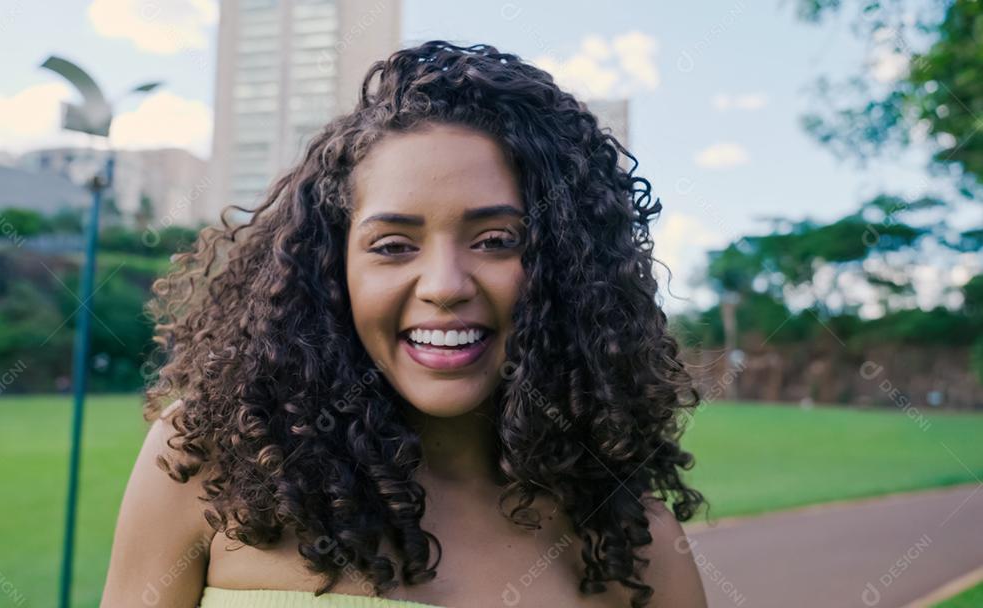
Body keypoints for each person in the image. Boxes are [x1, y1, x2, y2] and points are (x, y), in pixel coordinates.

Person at [101, 40, 708, 608]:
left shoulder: (630, 537)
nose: (445, 285)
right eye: (393, 245)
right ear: (332, 271)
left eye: (496, 241)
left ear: (567, 266)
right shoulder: (211, 461)